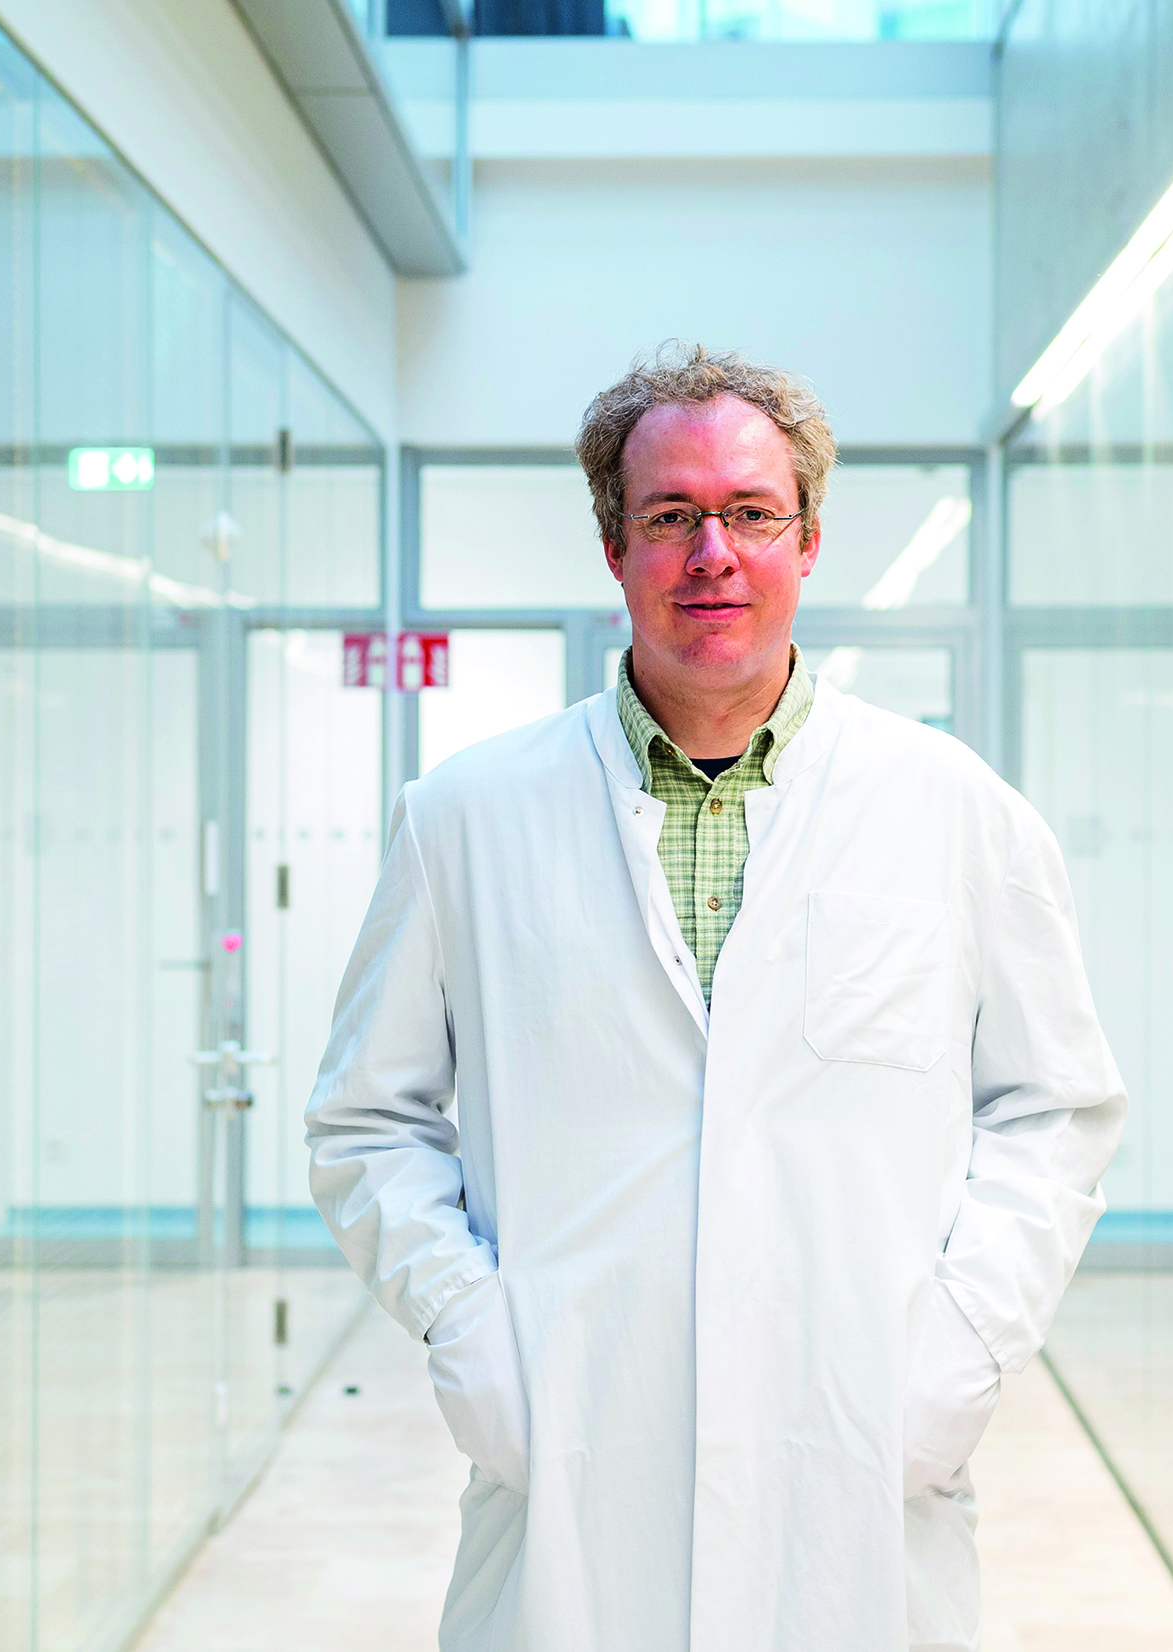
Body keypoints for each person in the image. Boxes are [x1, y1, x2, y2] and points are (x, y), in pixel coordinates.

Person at [305, 343, 1127, 1652]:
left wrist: (954, 1359)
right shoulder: (463, 819)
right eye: (672, 516)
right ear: (615, 546)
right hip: (570, 1458)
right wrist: (475, 1339)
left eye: (750, 514)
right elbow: (369, 1120)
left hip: (860, 1457)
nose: (713, 553)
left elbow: (1056, 1112)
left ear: (808, 541)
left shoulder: (956, 812)